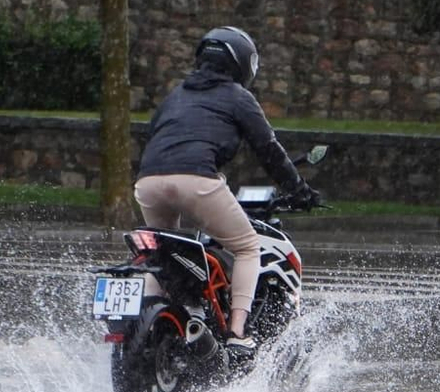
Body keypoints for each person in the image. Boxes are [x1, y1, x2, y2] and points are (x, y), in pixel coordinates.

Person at [134, 25, 322, 353]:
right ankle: (237, 333)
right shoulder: (238, 97)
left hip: (148, 182)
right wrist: (298, 188)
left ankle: (146, 321)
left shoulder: (176, 95)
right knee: (247, 247)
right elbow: (269, 149)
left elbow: (153, 136)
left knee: (159, 254)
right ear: (242, 64)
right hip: (197, 182)